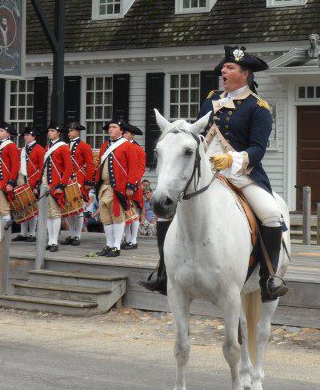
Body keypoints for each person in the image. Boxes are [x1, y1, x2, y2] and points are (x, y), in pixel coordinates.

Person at [141, 45, 288, 302]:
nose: (223, 70)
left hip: (242, 174)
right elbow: (198, 134)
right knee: (167, 211)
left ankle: (268, 278)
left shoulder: (259, 107)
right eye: (224, 67)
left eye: (229, 67)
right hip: (206, 173)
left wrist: (231, 158)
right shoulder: (211, 99)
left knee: (271, 214)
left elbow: (258, 149)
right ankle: (164, 272)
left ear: (245, 74)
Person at [95, 118, 140, 257]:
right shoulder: (105, 145)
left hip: (118, 186)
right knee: (105, 216)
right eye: (110, 127)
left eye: (114, 127)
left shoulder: (128, 146)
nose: (110, 129)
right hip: (104, 185)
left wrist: (130, 185)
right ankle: (109, 245)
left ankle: (116, 246)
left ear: (121, 130)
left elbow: (134, 167)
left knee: (117, 215)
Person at [37, 123, 73, 252]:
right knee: (48, 213)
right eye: (49, 131)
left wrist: (62, 185)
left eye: (52, 131)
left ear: (58, 133)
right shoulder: (48, 147)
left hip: (56, 184)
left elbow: (69, 168)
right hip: (46, 182)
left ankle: (54, 241)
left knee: (55, 213)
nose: (49, 133)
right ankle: (50, 239)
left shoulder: (63, 147)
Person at [61, 122, 95, 246]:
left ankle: (78, 236)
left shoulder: (84, 146)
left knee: (79, 208)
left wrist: (88, 180)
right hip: (68, 179)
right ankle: (71, 234)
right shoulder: (64, 146)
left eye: (71, 130)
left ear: (77, 132)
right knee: (69, 208)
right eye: (69, 130)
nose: (69, 132)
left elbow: (90, 164)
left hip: (79, 178)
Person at [0, 122, 20, 248]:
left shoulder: (11, 146)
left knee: (4, 210)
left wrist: (11, 182)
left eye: (1, 131)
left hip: (3, 183)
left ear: (7, 133)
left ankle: (6, 239)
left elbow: (15, 165)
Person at [12, 126, 45, 242]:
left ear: (34, 136)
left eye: (28, 135)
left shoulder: (40, 150)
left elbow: (42, 169)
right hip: (22, 180)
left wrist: (37, 185)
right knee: (22, 206)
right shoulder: (22, 150)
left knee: (32, 207)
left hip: (33, 181)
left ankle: (32, 233)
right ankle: (23, 232)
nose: (25, 137)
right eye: (25, 135)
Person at [121, 124, 145, 250]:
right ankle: (128, 239)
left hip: (133, 185)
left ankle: (133, 240)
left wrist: (133, 183)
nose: (123, 135)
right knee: (126, 213)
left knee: (134, 213)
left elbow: (140, 168)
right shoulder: (121, 147)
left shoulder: (138, 149)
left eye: (126, 133)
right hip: (122, 185)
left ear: (131, 135)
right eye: (123, 133)